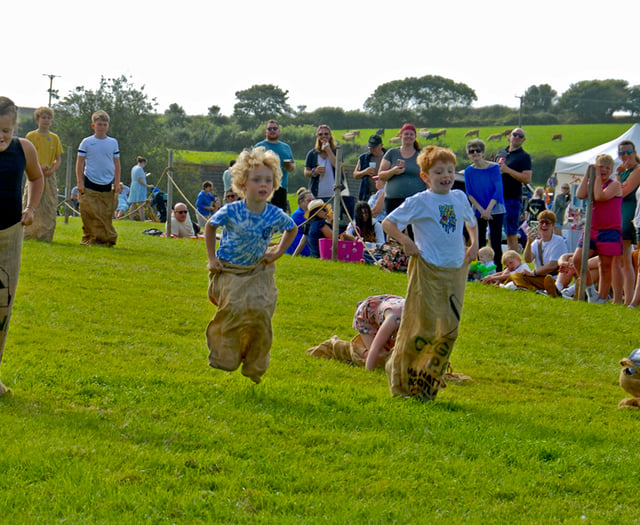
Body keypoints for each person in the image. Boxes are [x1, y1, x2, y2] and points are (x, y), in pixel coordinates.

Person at [382, 145, 477, 400]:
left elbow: (471, 221)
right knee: (421, 328)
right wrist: (406, 241)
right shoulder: (420, 201)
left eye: (449, 170)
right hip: (427, 269)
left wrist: (474, 243)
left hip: (456, 271)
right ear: (425, 177)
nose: (445, 176)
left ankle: (428, 381)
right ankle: (402, 381)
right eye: (438, 172)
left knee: (448, 330)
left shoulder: (458, 197)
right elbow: (388, 223)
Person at [205, 147, 297, 384]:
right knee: (235, 308)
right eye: (257, 180)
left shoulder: (274, 213)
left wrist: (277, 253)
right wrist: (212, 258)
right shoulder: (232, 210)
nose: (263, 185)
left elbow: (292, 228)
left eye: (268, 180)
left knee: (260, 313)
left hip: (257, 269)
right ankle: (226, 356)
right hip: (229, 269)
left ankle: (254, 363)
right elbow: (210, 226)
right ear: (243, 184)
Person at [0, 96, 44, 395]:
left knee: (3, 305)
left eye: (6, 129)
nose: (1, 136)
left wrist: (30, 209)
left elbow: (37, 177)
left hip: (10, 234)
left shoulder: (23, 149)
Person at [572, 154, 622, 304]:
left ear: (611, 170)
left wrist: (597, 177)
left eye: (607, 168)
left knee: (605, 265)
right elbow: (580, 194)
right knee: (578, 259)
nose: (604, 170)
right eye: (601, 167)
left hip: (610, 230)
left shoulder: (615, 185)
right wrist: (588, 174)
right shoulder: (593, 181)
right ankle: (590, 291)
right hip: (592, 229)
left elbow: (600, 196)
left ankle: (602, 297)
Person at [75, 110, 121, 246]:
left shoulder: (113, 142)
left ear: (108, 126)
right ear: (93, 126)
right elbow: (80, 162)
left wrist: (117, 182)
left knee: (105, 212)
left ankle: (106, 237)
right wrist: (79, 182)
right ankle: (91, 237)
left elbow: (117, 164)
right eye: (99, 124)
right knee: (90, 212)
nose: (102, 127)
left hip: (107, 181)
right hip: (90, 180)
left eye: (104, 125)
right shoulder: (86, 142)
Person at [464, 138, 506, 270]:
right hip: (478, 209)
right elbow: (470, 193)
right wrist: (482, 210)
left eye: (478, 150)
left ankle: (498, 269)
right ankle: (480, 268)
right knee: (479, 240)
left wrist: (488, 210)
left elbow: (498, 190)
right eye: (472, 151)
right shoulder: (468, 171)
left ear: (483, 152)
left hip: (496, 207)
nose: (475, 153)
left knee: (496, 240)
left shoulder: (494, 168)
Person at [23, 106, 63, 242]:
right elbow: (26, 156)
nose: (46, 120)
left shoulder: (54, 138)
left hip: (49, 175)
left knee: (49, 204)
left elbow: (58, 159)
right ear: (37, 119)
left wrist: (52, 169)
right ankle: (29, 233)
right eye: (43, 117)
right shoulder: (31, 136)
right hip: (34, 174)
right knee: (32, 201)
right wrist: (36, 167)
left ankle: (45, 235)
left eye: (48, 118)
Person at [507, 210, 568, 293]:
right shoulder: (536, 243)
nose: (544, 225)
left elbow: (552, 265)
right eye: (541, 222)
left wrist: (532, 273)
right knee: (515, 275)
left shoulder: (558, 241)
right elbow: (528, 259)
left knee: (518, 278)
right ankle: (532, 288)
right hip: (538, 277)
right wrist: (529, 242)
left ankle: (530, 288)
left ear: (552, 226)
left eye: (547, 223)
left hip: (553, 278)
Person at [496, 128, 532, 252]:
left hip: (511, 199)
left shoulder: (524, 157)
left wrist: (507, 170)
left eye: (520, 136)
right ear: (509, 137)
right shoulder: (501, 152)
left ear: (523, 140)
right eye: (514, 135)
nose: (516, 137)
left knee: (511, 233)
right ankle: (493, 260)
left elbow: (527, 178)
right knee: (492, 232)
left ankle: (514, 264)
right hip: (495, 198)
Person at [377, 123, 425, 217]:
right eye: (406, 134)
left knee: (414, 231)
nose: (408, 136)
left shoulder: (421, 155)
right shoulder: (392, 153)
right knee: (394, 228)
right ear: (400, 136)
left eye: (411, 134)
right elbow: (381, 175)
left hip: (416, 200)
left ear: (415, 137)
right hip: (393, 199)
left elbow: (428, 176)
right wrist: (393, 171)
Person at [613, 140, 640, 305]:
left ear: (634, 152)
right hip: (620, 213)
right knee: (622, 259)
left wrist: (617, 177)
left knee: (626, 259)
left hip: (630, 214)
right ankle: (625, 297)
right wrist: (618, 174)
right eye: (622, 153)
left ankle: (629, 298)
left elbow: (622, 191)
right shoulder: (623, 171)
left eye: (628, 152)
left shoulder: (637, 170)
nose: (625, 156)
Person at [352, 295, 405, 371]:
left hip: (387, 303)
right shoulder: (393, 320)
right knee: (380, 356)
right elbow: (375, 347)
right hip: (365, 315)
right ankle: (357, 351)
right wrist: (368, 370)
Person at [255, 120, 295, 212]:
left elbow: (293, 166)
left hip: (281, 188)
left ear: (279, 131)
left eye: (275, 128)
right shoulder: (259, 146)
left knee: (279, 218)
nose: (272, 130)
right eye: (269, 129)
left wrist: (290, 166)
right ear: (265, 132)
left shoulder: (286, 147)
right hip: (263, 187)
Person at [304, 125, 338, 200]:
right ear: (317, 137)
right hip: (316, 195)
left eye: (326, 134)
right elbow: (306, 172)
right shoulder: (312, 154)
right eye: (320, 134)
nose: (323, 136)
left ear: (330, 136)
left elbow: (338, 166)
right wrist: (314, 171)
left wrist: (328, 150)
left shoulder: (336, 152)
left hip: (334, 195)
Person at [353, 134, 385, 201]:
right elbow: (355, 175)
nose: (372, 150)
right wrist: (365, 172)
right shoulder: (364, 158)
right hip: (368, 195)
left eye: (375, 147)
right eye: (370, 147)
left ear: (381, 145)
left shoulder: (388, 156)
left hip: (385, 194)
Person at [286, 188, 314, 257]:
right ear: (301, 202)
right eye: (309, 200)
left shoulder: (305, 212)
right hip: (297, 242)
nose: (312, 202)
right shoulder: (299, 214)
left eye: (313, 200)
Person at [128, 156, 153, 221]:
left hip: (134, 186)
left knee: (133, 203)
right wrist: (147, 185)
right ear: (143, 162)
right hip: (139, 187)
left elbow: (138, 177)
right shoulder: (139, 169)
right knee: (141, 204)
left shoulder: (134, 168)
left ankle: (131, 218)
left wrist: (144, 176)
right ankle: (142, 219)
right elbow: (139, 179)